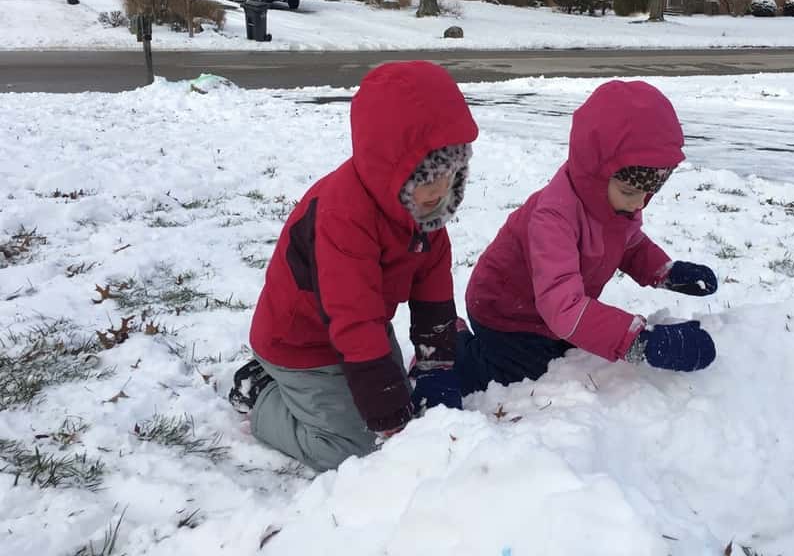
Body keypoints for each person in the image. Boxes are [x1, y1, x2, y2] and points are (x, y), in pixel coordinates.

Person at [228, 61, 478, 472]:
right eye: (425, 174)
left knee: (404, 404)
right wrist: (386, 411)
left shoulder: (425, 210)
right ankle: (263, 394)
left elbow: (432, 288)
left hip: (360, 328)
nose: (439, 187)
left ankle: (309, 394)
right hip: (302, 343)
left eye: (450, 168)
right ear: (388, 165)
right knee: (356, 446)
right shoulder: (344, 215)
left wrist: (436, 367)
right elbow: (354, 319)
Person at [456, 80, 717, 394]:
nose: (640, 203)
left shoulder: (613, 203)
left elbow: (629, 245)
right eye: (631, 191)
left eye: (649, 192)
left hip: (547, 311)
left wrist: (667, 273)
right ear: (595, 172)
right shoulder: (553, 218)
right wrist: (641, 343)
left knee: (573, 351)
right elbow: (562, 307)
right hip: (505, 310)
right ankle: (455, 348)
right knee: (527, 374)